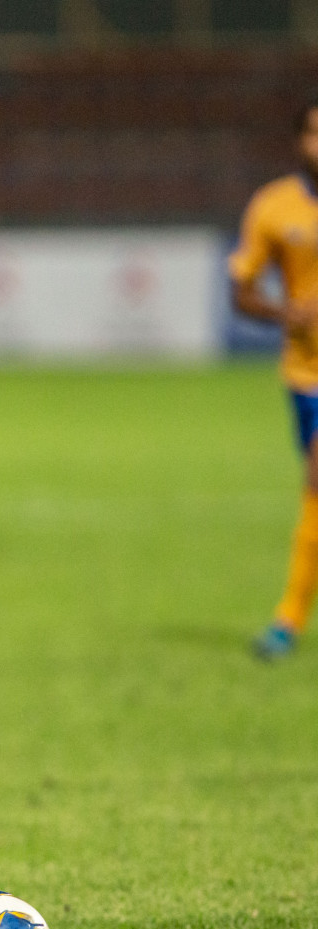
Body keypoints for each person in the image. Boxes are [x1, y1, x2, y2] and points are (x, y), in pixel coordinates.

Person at [234, 98, 318, 660]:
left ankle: (286, 620)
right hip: (306, 374)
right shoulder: (273, 207)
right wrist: (287, 315)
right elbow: (240, 292)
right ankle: (289, 617)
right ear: (300, 141)